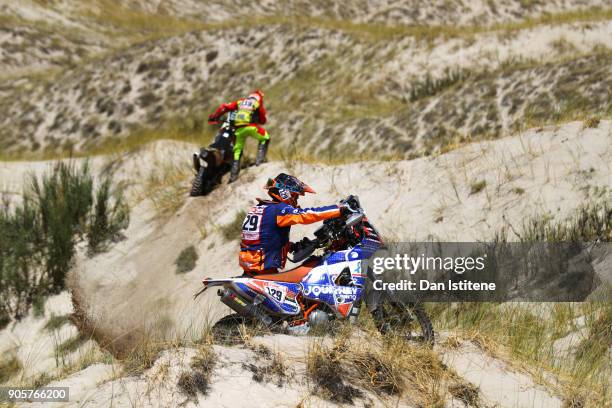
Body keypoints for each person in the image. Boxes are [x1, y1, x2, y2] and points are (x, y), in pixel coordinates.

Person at [239, 173, 349, 275]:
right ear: (285, 193)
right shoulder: (278, 210)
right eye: (295, 196)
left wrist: (290, 246)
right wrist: (339, 209)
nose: (296, 200)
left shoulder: (260, 208)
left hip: (250, 267)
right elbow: (305, 215)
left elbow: (260, 238)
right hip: (265, 270)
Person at [208, 90, 270, 182]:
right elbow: (263, 120)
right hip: (250, 127)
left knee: (237, 151)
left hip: (238, 130)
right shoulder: (257, 103)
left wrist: (214, 116)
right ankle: (260, 160)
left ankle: (233, 175)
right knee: (265, 137)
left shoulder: (240, 102)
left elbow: (224, 107)